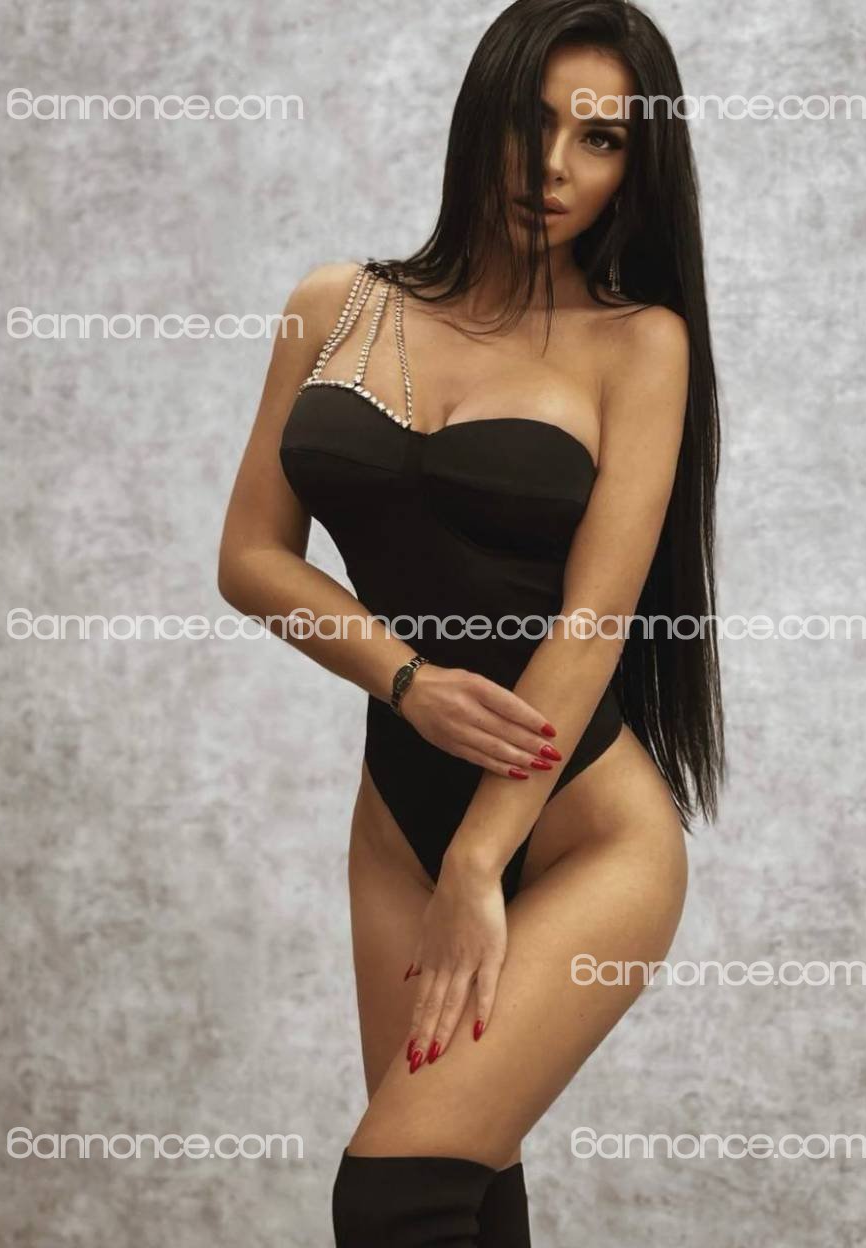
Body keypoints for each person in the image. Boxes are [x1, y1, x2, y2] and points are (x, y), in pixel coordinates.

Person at [217, 0, 724, 1242]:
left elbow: (593, 624)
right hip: (399, 813)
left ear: (636, 167)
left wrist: (481, 858)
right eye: (528, 122)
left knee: (397, 1195)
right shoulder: (334, 305)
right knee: (465, 1188)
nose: (552, 166)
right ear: (477, 115)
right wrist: (407, 680)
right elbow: (250, 560)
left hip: (579, 832)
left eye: (600, 140)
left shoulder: (638, 345)